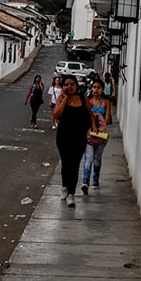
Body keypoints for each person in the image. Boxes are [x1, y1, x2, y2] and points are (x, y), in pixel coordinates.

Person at [53, 75, 93, 207]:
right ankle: (65, 187)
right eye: (66, 84)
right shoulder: (61, 98)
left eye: (72, 84)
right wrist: (64, 99)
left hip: (79, 137)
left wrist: (94, 127)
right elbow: (56, 115)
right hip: (63, 137)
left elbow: (90, 113)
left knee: (75, 165)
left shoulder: (83, 98)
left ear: (76, 85)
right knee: (66, 163)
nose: (69, 87)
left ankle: (71, 194)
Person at [82, 79, 112, 194]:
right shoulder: (88, 102)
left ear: (102, 89)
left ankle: (95, 179)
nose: (96, 90)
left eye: (98, 87)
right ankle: (85, 181)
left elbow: (108, 119)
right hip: (90, 134)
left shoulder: (106, 102)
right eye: (94, 87)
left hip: (101, 135)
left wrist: (98, 117)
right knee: (88, 158)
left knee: (97, 159)